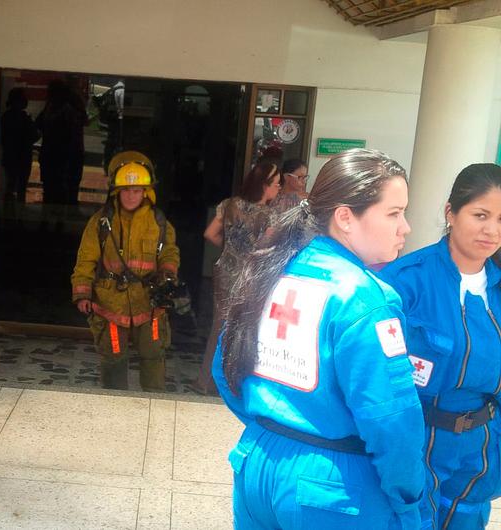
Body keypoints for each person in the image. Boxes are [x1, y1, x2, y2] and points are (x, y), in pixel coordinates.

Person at [213, 149, 425, 529]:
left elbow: (224, 367)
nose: (405, 227)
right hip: (332, 487)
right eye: (394, 213)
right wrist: (410, 504)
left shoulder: (272, 267)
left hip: (258, 461)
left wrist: (274, 422)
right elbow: (392, 420)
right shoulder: (366, 299)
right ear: (345, 217)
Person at [380, 164, 501, 529]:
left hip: (479, 453)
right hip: (415, 445)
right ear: (451, 212)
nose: (492, 230)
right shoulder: (403, 282)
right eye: (481, 215)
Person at [71, 151, 180, 391]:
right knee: (113, 360)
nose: (131, 196)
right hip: (110, 303)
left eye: (137, 190)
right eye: (126, 190)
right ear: (116, 192)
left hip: (149, 304)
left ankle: (153, 407)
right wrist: (82, 292)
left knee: (153, 357)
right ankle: (114, 410)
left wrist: (168, 275)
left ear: (146, 191)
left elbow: (169, 253)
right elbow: (86, 258)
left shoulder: (159, 222)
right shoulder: (101, 222)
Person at [194, 161, 280, 394]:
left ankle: (206, 382)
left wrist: (231, 248)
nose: (279, 189)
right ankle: (234, 384)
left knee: (219, 325)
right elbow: (268, 248)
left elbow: (209, 233)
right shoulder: (270, 216)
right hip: (251, 276)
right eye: (276, 184)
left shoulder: (229, 205)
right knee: (246, 327)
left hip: (226, 271)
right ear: (265, 186)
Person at [36, 79, 85, 205]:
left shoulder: (54, 110)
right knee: (61, 189)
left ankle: (51, 218)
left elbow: (39, 124)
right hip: (61, 156)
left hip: (57, 155)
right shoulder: (65, 110)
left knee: (53, 189)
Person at [0, 87, 39, 202]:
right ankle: (18, 213)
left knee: (10, 185)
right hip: (23, 157)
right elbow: (34, 136)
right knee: (21, 188)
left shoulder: (5, 117)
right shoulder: (24, 118)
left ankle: (8, 212)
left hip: (10, 156)